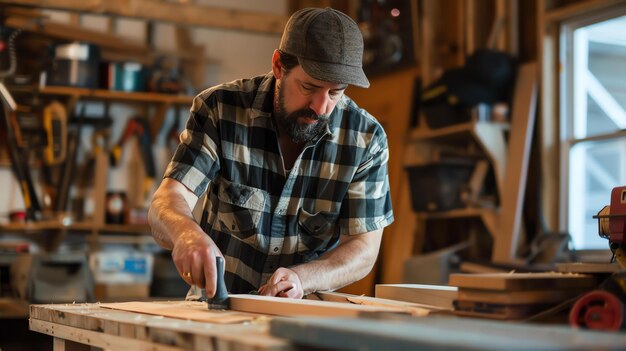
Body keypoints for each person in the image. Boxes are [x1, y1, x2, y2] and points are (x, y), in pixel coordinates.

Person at [148, 7, 394, 300]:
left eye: (335, 92)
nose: (321, 107)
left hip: (303, 319)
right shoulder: (220, 110)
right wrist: (186, 234)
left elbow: (364, 249)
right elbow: (167, 200)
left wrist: (303, 277)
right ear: (279, 66)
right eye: (309, 87)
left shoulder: (366, 139)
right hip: (215, 312)